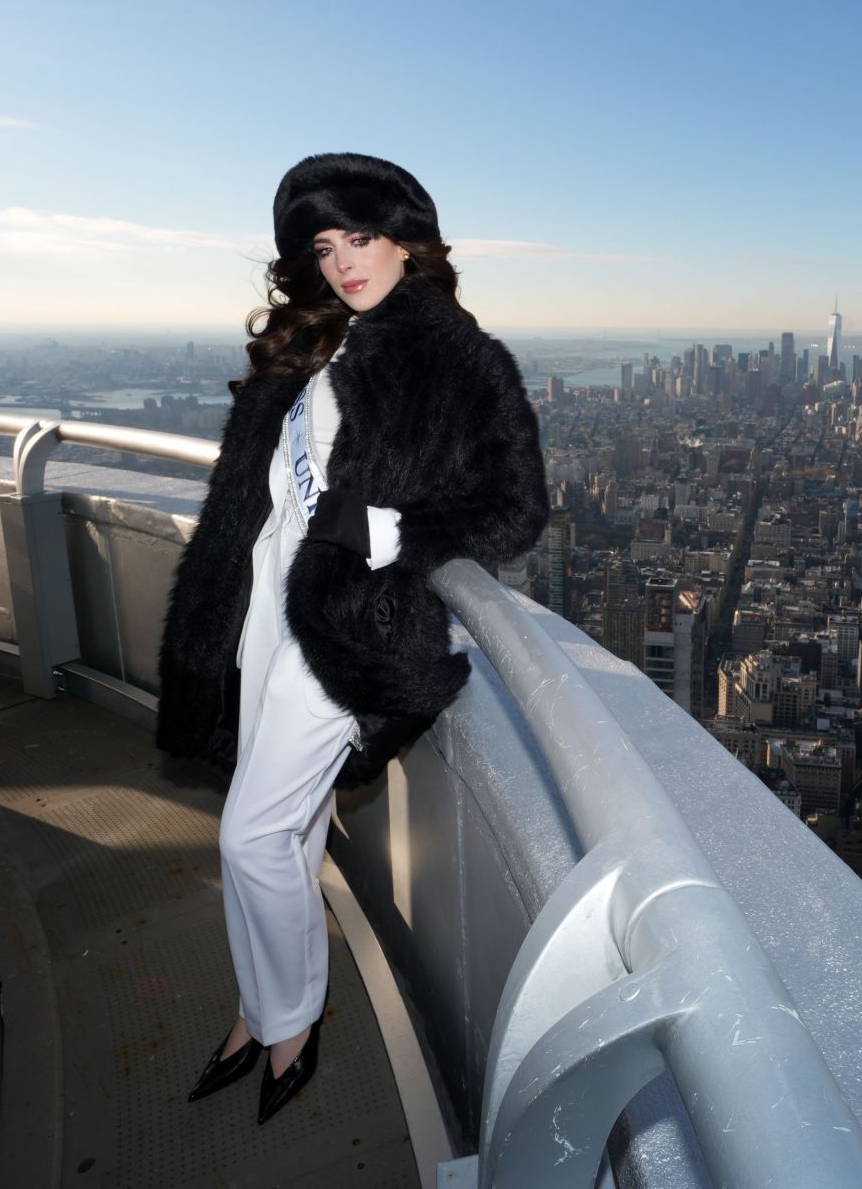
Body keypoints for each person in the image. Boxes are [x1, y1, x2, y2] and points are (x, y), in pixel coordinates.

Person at [153, 153, 548, 1124]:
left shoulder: (457, 356)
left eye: (359, 237)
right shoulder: (329, 341)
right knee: (269, 831)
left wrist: (374, 536)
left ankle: (294, 1017)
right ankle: (262, 1006)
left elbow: (514, 509)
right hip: (264, 603)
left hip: (345, 627)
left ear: (409, 234)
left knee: (251, 832)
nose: (342, 263)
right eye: (323, 246)